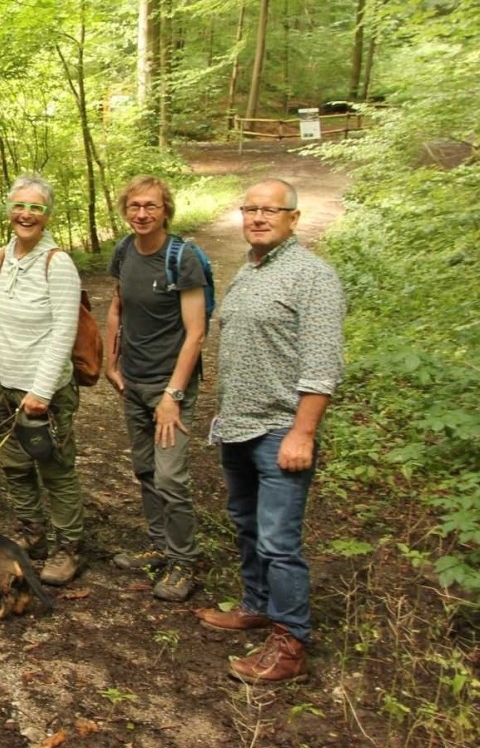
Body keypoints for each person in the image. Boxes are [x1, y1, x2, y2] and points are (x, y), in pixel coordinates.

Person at [197, 179, 345, 684]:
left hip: (280, 429)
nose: (258, 218)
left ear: (293, 218)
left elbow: (322, 365)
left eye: (270, 210)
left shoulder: (313, 277)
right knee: (246, 523)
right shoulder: (250, 269)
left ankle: (289, 643)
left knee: (280, 540)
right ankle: (256, 605)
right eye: (251, 209)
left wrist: (302, 433)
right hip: (237, 427)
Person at [0, 173, 85, 585]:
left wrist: (42, 390)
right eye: (20, 206)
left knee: (54, 469)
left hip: (42, 391)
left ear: (47, 214)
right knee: (16, 466)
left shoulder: (59, 264)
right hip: (1, 385)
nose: (26, 215)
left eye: (36, 208)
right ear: (9, 210)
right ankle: (30, 532)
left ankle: (68, 546)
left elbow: (63, 332)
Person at [106, 176, 206, 601]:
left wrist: (173, 396)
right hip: (135, 380)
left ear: (166, 209)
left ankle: (184, 560)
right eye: (134, 206)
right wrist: (112, 362)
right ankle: (159, 544)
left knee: (170, 477)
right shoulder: (125, 250)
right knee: (145, 469)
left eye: (150, 206)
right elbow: (117, 305)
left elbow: (196, 334)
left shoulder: (181, 258)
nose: (141, 214)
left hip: (170, 385)